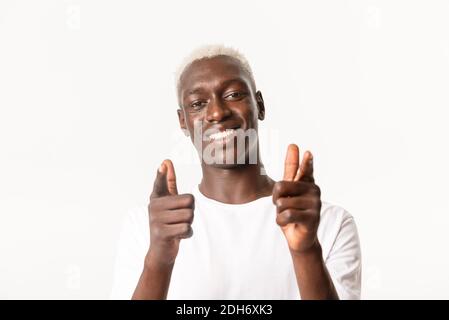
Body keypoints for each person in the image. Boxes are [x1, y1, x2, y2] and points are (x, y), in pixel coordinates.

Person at [111, 45, 361, 300]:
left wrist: (307, 250)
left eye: (233, 95)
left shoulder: (328, 223)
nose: (218, 112)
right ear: (183, 121)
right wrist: (159, 260)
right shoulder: (148, 228)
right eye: (198, 103)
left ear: (260, 105)